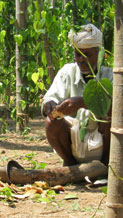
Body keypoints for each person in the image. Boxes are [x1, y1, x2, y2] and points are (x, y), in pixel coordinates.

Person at [42, 24, 113, 166]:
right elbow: (49, 98)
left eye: (87, 55)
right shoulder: (67, 72)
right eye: (77, 54)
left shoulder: (110, 76)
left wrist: (83, 102)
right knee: (52, 121)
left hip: (104, 141)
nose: (81, 59)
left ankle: (105, 165)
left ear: (99, 54)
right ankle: (70, 162)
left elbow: (117, 108)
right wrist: (49, 105)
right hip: (73, 139)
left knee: (113, 117)